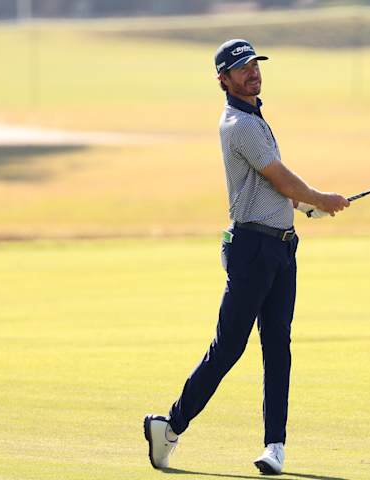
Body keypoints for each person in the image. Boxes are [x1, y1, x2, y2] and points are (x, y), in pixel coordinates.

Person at [144, 38, 349, 475]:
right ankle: (171, 425)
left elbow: (272, 188)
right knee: (229, 348)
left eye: (254, 64)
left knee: (278, 347)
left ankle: (275, 445)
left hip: (281, 248)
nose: (251, 71)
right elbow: (280, 177)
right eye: (241, 68)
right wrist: (319, 197)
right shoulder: (240, 124)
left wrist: (302, 207)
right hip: (252, 251)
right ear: (224, 80)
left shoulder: (256, 117)